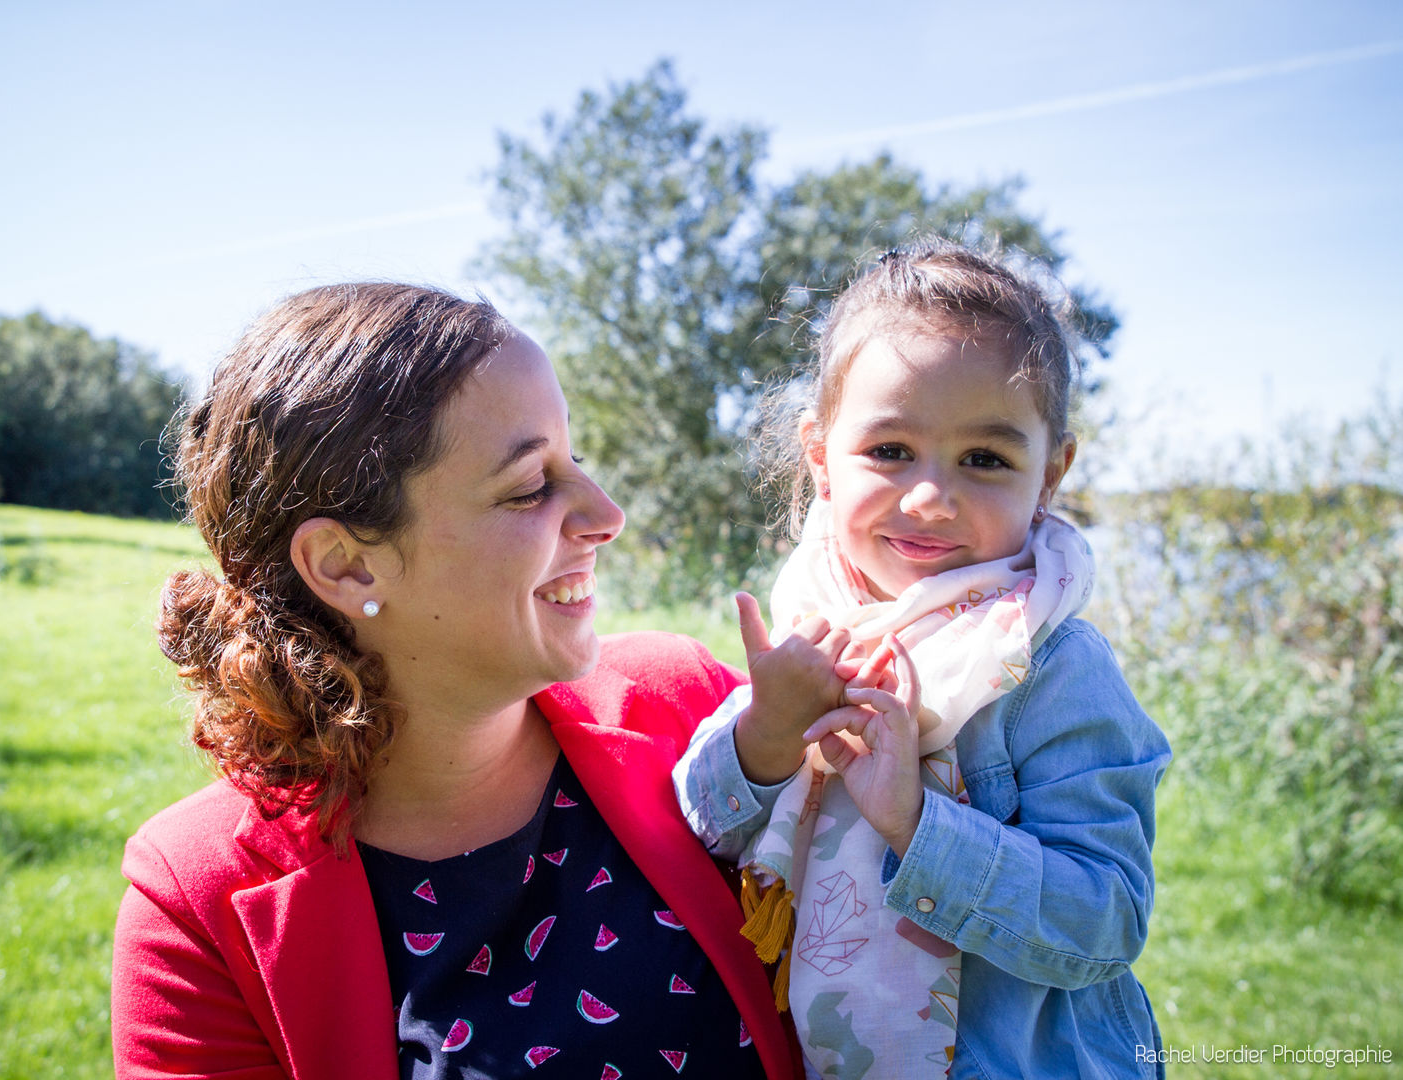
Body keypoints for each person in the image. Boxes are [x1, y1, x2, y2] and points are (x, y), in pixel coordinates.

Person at [111, 283, 798, 1079]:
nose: (606, 514)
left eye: (576, 460)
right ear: (346, 564)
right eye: (529, 486)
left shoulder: (693, 709)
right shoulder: (194, 907)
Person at [673, 240, 1172, 1079]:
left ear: (1050, 474)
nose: (931, 497)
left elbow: (1105, 923)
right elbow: (702, 827)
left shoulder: (1047, 664)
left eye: (985, 458)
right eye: (890, 451)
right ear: (820, 455)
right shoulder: (814, 625)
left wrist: (917, 821)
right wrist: (766, 735)